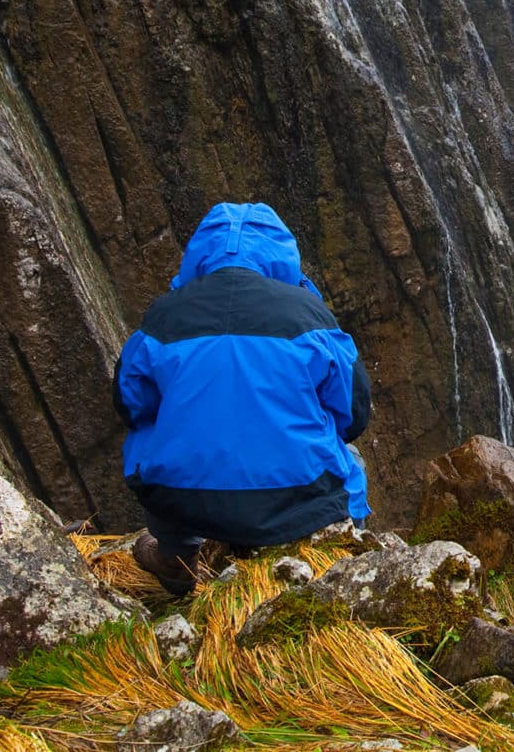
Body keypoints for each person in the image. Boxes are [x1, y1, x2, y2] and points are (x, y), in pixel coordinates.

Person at [112, 201, 371, 596]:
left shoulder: (163, 318)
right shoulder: (309, 316)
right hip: (296, 501)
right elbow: (353, 415)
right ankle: (341, 559)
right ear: (282, 255)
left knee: (150, 436)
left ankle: (177, 558)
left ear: (199, 253)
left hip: (180, 501)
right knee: (351, 461)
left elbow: (130, 405)